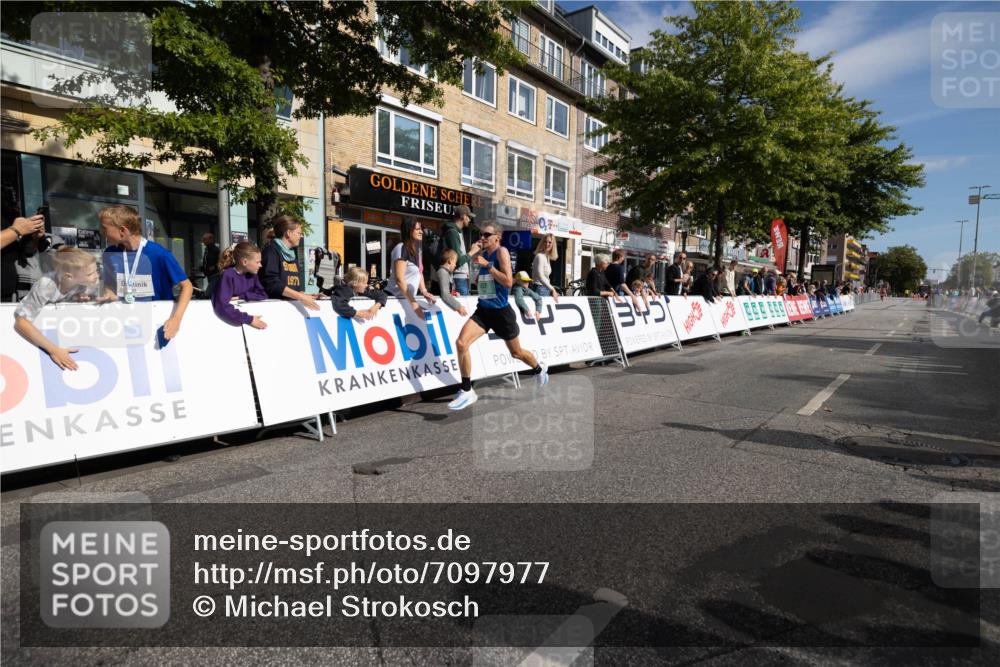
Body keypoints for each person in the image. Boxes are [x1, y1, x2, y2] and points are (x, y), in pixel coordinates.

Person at [448, 223, 548, 411]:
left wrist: (488, 267)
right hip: (484, 310)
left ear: (497, 237)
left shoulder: (501, 252)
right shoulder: (482, 255)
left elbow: (509, 282)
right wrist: (476, 263)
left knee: (516, 353)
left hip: (501, 313)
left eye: (487, 234)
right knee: (461, 343)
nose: (483, 237)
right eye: (481, 234)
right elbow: (481, 281)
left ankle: (538, 369)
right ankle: (467, 389)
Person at [100, 204, 193, 340]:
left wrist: (176, 319)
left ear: (122, 231)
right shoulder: (110, 253)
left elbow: (187, 286)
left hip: (157, 322)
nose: (101, 231)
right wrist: (108, 293)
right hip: (123, 322)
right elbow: (109, 285)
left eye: (104, 228)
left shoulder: (159, 254)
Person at [13, 247, 101, 370]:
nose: (96, 276)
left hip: (64, 330)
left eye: (96, 270)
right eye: (90, 274)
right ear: (69, 276)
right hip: (41, 334)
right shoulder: (46, 285)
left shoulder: (87, 283)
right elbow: (21, 322)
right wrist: (54, 350)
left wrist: (78, 298)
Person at [388, 217, 438, 319]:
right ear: (409, 230)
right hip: (393, 300)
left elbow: (419, 272)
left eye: (421, 229)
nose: (422, 232)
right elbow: (400, 279)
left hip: (406, 300)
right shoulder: (401, 248)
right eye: (418, 229)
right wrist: (414, 303)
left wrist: (424, 291)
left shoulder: (416, 250)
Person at [211, 241, 268, 328]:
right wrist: (249, 319)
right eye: (257, 262)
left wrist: (241, 296)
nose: (260, 265)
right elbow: (221, 306)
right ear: (244, 262)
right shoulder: (228, 275)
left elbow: (262, 295)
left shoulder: (253, 275)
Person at [2, 213, 46, 302]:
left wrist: (34, 236)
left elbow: (26, 252)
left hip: (12, 296)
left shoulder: (7, 216)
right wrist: (15, 230)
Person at [441, 205, 474, 295]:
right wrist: (472, 252)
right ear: (463, 216)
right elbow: (458, 261)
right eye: (469, 217)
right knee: (463, 307)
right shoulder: (452, 233)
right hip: (458, 278)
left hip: (461, 278)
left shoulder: (457, 231)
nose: (470, 219)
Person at [436, 248, 469, 317]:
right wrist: (458, 306)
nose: (455, 265)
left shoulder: (446, 273)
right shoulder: (443, 273)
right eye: (455, 262)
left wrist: (453, 293)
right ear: (449, 261)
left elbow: (445, 290)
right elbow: (445, 294)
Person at [532, 233, 560, 300]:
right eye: (545, 241)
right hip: (539, 288)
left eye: (550, 242)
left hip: (544, 288)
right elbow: (540, 277)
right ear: (542, 242)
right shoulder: (540, 256)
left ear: (553, 244)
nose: (547, 244)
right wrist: (553, 289)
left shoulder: (546, 257)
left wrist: (550, 289)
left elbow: (546, 278)